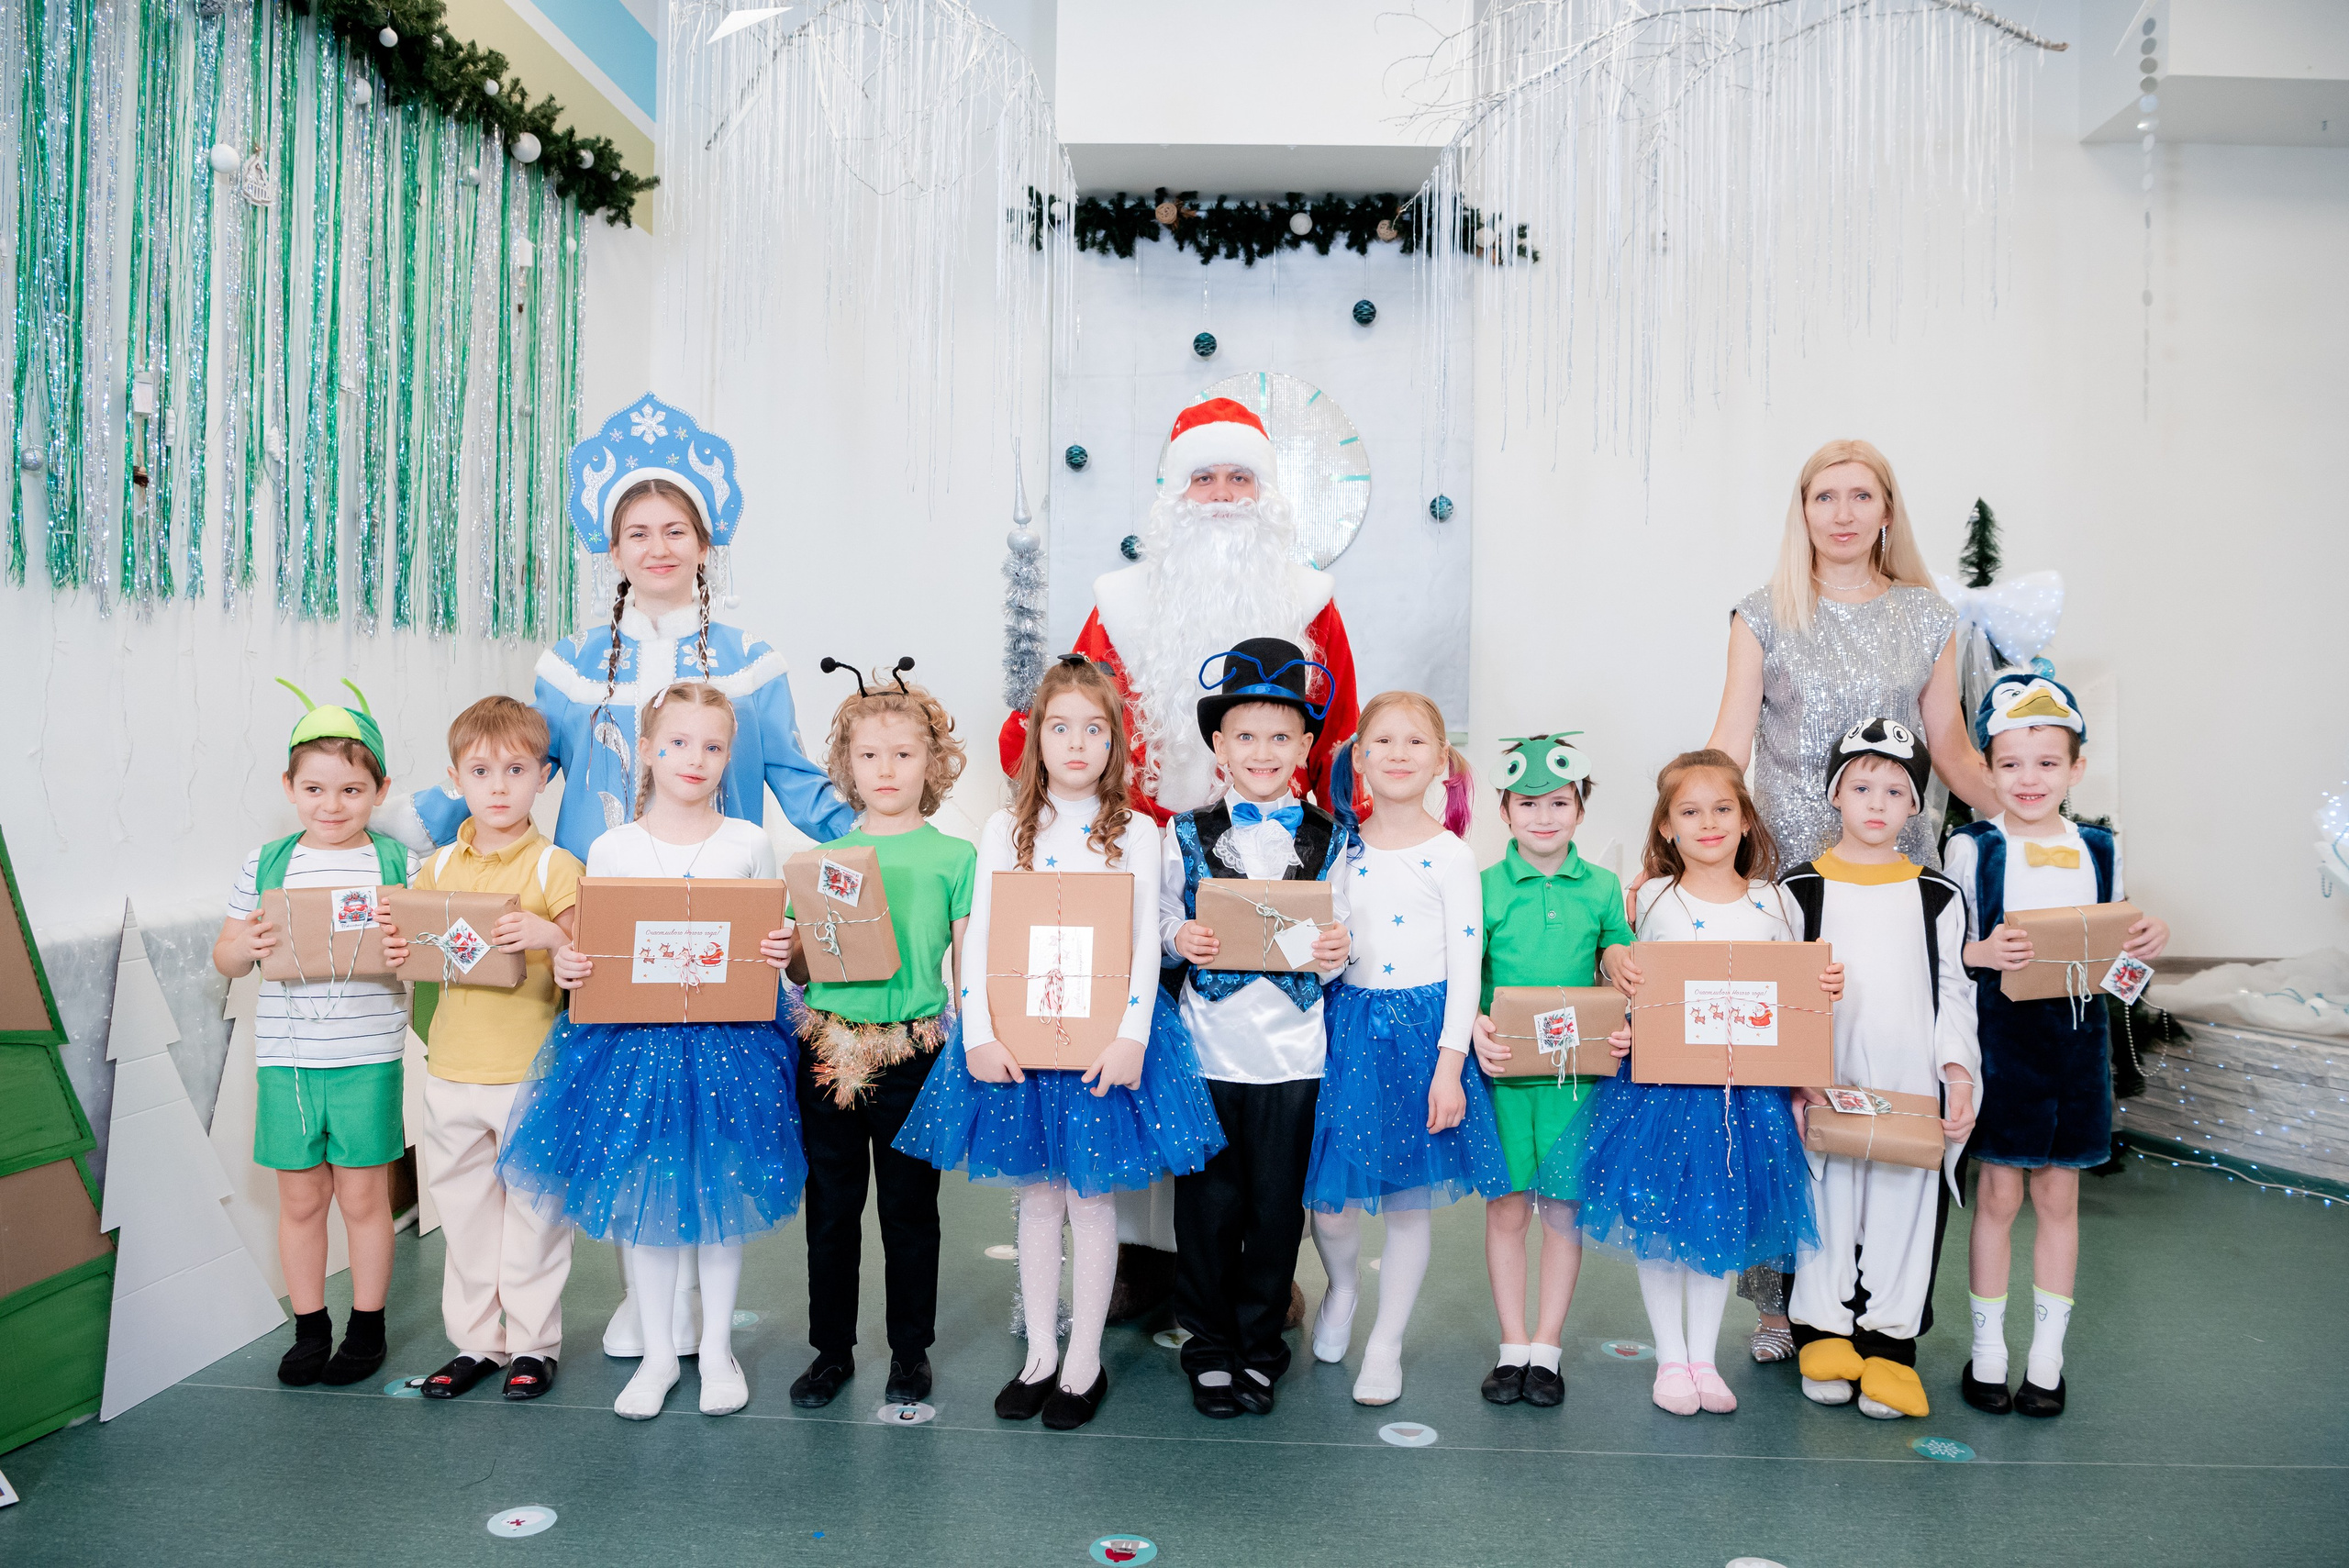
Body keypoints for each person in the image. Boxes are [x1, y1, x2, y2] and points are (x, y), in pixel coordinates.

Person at [388, 395, 854, 1362]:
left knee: (699, 1108)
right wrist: (409, 831)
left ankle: (692, 1311)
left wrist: (878, 838)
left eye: (673, 529)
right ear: (612, 546)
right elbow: (511, 765)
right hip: (601, 908)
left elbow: (795, 773)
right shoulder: (565, 663)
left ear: (703, 539)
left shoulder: (748, 659)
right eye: (636, 531)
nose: (656, 546)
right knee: (620, 1107)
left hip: (713, 905)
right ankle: (641, 1303)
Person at [1003, 398, 1364, 1310]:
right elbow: (1079, 724)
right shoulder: (1118, 605)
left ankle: (1252, 1267)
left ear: (1266, 491)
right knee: (1124, 1059)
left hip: (1273, 866)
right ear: (1173, 493)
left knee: (1245, 1077)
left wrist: (1335, 865)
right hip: (1140, 856)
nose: (1221, 495)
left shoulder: (1309, 600)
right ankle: (1129, 1258)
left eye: (1239, 476)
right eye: (1202, 476)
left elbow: (1343, 732)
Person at [1702, 437, 1998, 1362]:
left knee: (1887, 1071)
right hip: (1790, 869)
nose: (1840, 511)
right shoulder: (1762, 613)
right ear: (1803, 511)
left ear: (1884, 511)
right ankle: (1780, 1299)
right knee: (1788, 1083)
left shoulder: (1924, 614)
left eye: (1858, 495)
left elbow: (1947, 743)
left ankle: (1879, 1297)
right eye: (1823, 496)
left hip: (1893, 869)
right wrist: (1672, 846)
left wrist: (2026, 815)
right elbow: (1728, 739)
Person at [895, 656, 1224, 1430]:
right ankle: (1041, 1350)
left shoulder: (1139, 834)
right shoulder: (1003, 828)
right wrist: (977, 1031)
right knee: (1037, 1196)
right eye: (1060, 727)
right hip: (1020, 1040)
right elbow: (976, 942)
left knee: (1090, 1194)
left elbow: (1145, 943)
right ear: (1036, 738)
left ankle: (1085, 1359)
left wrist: (1130, 1035)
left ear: (1114, 743)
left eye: (1094, 729)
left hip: (1104, 1042)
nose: (1076, 743)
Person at [496, 682, 804, 1420]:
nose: (693, 759)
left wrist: (782, 944)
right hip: (633, 1050)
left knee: (719, 1197)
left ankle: (718, 1347)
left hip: (729, 1048)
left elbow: (770, 941)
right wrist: (571, 963)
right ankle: (663, 1354)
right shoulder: (613, 845)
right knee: (648, 1197)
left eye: (712, 745)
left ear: (729, 755)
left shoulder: (748, 842)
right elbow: (597, 947)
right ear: (644, 750)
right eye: (676, 743)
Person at [1576, 751, 1837, 1417]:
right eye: (1690, 811)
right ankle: (1671, 1358)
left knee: (1719, 1223)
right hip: (1664, 1091)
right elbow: (1629, 984)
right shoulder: (1652, 898)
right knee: (1662, 1220)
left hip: (1744, 1096)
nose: (1709, 822)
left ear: (1746, 818)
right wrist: (1617, 976)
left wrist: (1822, 992)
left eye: (1723, 808)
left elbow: (1793, 1000)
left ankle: (1704, 1358)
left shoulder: (1775, 900)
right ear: (1667, 827)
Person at [1945, 673, 2168, 1418]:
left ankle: (2047, 1359)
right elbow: (1949, 949)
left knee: (2059, 1193)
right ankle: (1988, 1352)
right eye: (2010, 763)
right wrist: (1984, 952)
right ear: (1987, 769)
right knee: (2000, 1194)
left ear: (2076, 768)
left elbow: (2122, 958)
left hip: (2078, 1040)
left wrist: (2148, 942)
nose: (2029, 778)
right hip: (2004, 1041)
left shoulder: (2099, 848)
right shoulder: (1973, 847)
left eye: (2046, 763)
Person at [1163, 639, 1353, 1418]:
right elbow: (1160, 918)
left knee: (1277, 1210)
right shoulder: (1182, 832)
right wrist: (1181, 938)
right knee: (1208, 1205)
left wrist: (1338, 953)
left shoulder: (1333, 838)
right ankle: (1207, 1346)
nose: (1263, 751)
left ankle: (1260, 1346)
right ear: (1218, 745)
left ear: (1307, 746)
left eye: (1282, 737)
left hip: (1294, 1054)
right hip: (1210, 1049)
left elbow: (1343, 938)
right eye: (1246, 735)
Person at [781, 663, 975, 1413]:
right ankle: (830, 1351)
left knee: (908, 1209)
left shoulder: (953, 858)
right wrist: (786, 947)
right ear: (846, 767)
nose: (885, 769)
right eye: (868, 755)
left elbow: (966, 960)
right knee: (830, 1207)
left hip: (914, 1049)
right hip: (829, 1045)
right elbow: (803, 963)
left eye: (902, 754)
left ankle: (910, 1351)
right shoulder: (821, 861)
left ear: (933, 763)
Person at [1304, 693, 1508, 1407]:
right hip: (1348, 1031)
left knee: (1406, 1201)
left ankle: (1386, 1341)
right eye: (1382, 740)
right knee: (1330, 1203)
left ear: (1442, 763)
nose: (1397, 753)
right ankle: (1345, 1286)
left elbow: (1466, 966)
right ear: (1357, 757)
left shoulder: (1452, 855)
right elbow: (1325, 949)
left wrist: (1451, 1064)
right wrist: (1329, 956)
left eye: (1415, 741)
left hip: (1422, 1036)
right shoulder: (1338, 845)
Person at [209, 682, 412, 1389]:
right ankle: (310, 1326)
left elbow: (429, 953)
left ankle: (367, 1324)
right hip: (288, 1061)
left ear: (379, 789)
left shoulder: (395, 864)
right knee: (299, 1200)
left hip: (369, 1056)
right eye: (316, 788)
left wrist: (407, 941)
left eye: (352, 789)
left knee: (363, 1197)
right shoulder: (266, 863)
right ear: (290, 788)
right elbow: (227, 954)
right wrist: (248, 946)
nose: (333, 805)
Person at [381, 697, 583, 1404]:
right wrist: (394, 944)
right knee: (464, 1213)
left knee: (533, 1216)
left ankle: (533, 1343)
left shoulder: (558, 866)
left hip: (530, 1073)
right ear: (455, 777)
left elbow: (584, 960)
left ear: (544, 776)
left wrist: (551, 937)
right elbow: (408, 955)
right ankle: (475, 1343)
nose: (499, 786)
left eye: (516, 769)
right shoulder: (434, 870)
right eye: (481, 770)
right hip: (451, 1070)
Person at [1778, 719, 1978, 1420]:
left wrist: (1957, 1070)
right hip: (1824, 1079)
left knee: (1903, 1203)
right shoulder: (1798, 889)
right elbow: (1780, 986)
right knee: (1825, 1202)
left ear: (1914, 805)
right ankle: (1824, 1333)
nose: (1876, 801)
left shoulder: (1938, 895)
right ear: (1836, 794)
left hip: (1909, 1082)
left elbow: (1955, 988)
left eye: (1895, 789)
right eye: (1861, 786)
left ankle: (1890, 1344)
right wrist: (1797, 1076)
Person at [1465, 732, 1633, 1410]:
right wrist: (1473, 1026)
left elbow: (1615, 943)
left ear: (1580, 809)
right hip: (1504, 1075)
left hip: (1575, 1080)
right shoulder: (1482, 888)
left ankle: (1547, 1346)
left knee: (1563, 1212)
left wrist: (1622, 956)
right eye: (1527, 803)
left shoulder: (1601, 886)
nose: (1543, 816)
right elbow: (1468, 976)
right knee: (1507, 1208)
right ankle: (1511, 1344)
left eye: (1558, 802)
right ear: (1503, 811)